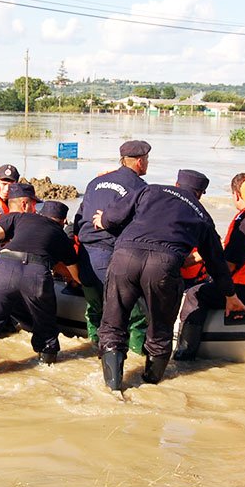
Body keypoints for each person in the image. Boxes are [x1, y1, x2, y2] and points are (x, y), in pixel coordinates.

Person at [93, 169, 245, 390]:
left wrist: (103, 220)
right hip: (163, 266)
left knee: (113, 325)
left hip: (125, 258)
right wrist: (230, 295)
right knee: (160, 330)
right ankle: (150, 385)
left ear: (175, 183)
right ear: (200, 193)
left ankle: (113, 388)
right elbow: (217, 263)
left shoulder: (150, 190)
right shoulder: (201, 215)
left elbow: (114, 216)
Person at [0, 196, 80, 384]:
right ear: (63, 221)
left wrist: (7, 238)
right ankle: (47, 363)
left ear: (39, 212)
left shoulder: (20, 217)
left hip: (4, 268)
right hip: (37, 274)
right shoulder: (60, 234)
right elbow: (74, 273)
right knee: (45, 321)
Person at [175, 173, 245, 360]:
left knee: (196, 294)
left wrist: (221, 286)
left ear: (236, 194)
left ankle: (184, 354)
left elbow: (230, 264)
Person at [72, 140, 151, 353]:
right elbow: (142, 226)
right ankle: (137, 354)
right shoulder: (140, 188)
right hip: (112, 255)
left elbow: (79, 218)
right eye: (146, 160)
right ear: (139, 161)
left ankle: (94, 348)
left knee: (95, 308)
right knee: (136, 312)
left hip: (86, 256)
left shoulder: (94, 183)